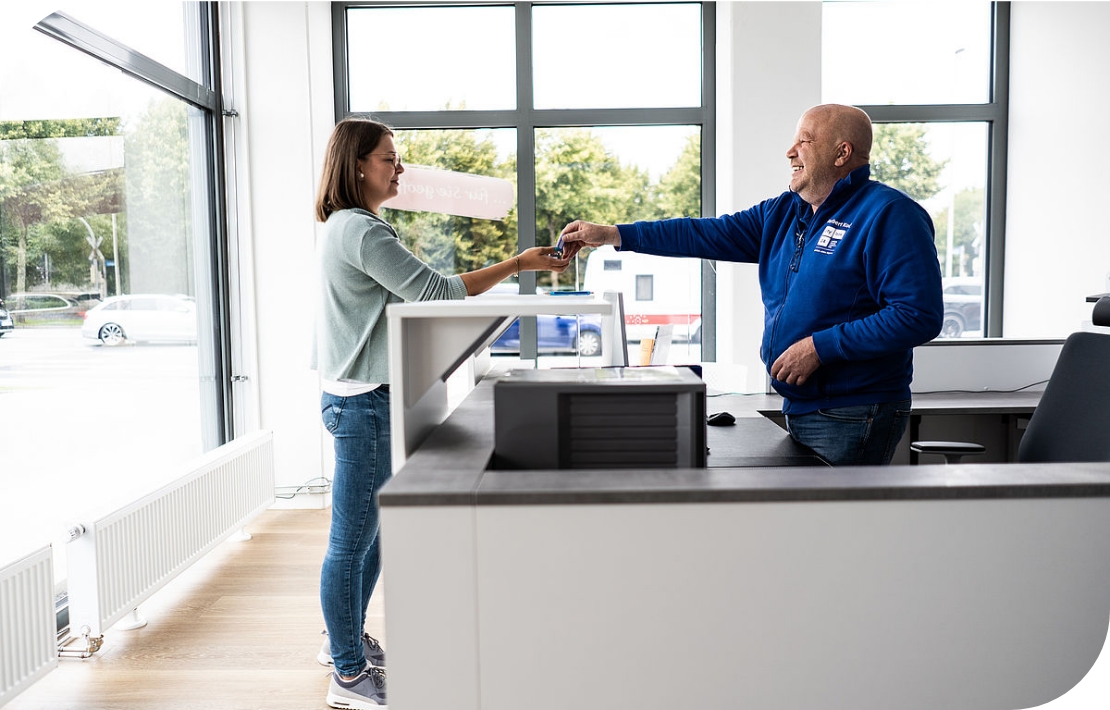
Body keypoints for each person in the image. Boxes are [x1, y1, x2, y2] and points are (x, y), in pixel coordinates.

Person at [312, 116, 570, 709]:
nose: (398, 167)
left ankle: (342, 641)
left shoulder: (348, 226)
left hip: (356, 397)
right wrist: (519, 264)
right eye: (388, 158)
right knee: (351, 542)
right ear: (356, 166)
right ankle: (348, 674)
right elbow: (434, 292)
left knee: (368, 536)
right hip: (363, 404)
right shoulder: (363, 232)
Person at [559, 104, 943, 466]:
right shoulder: (784, 213)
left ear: (842, 153)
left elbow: (917, 315)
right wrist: (613, 234)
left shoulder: (890, 215)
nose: (790, 151)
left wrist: (818, 348)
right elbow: (701, 233)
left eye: (804, 141)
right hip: (804, 406)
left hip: (856, 409)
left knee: (836, 530)